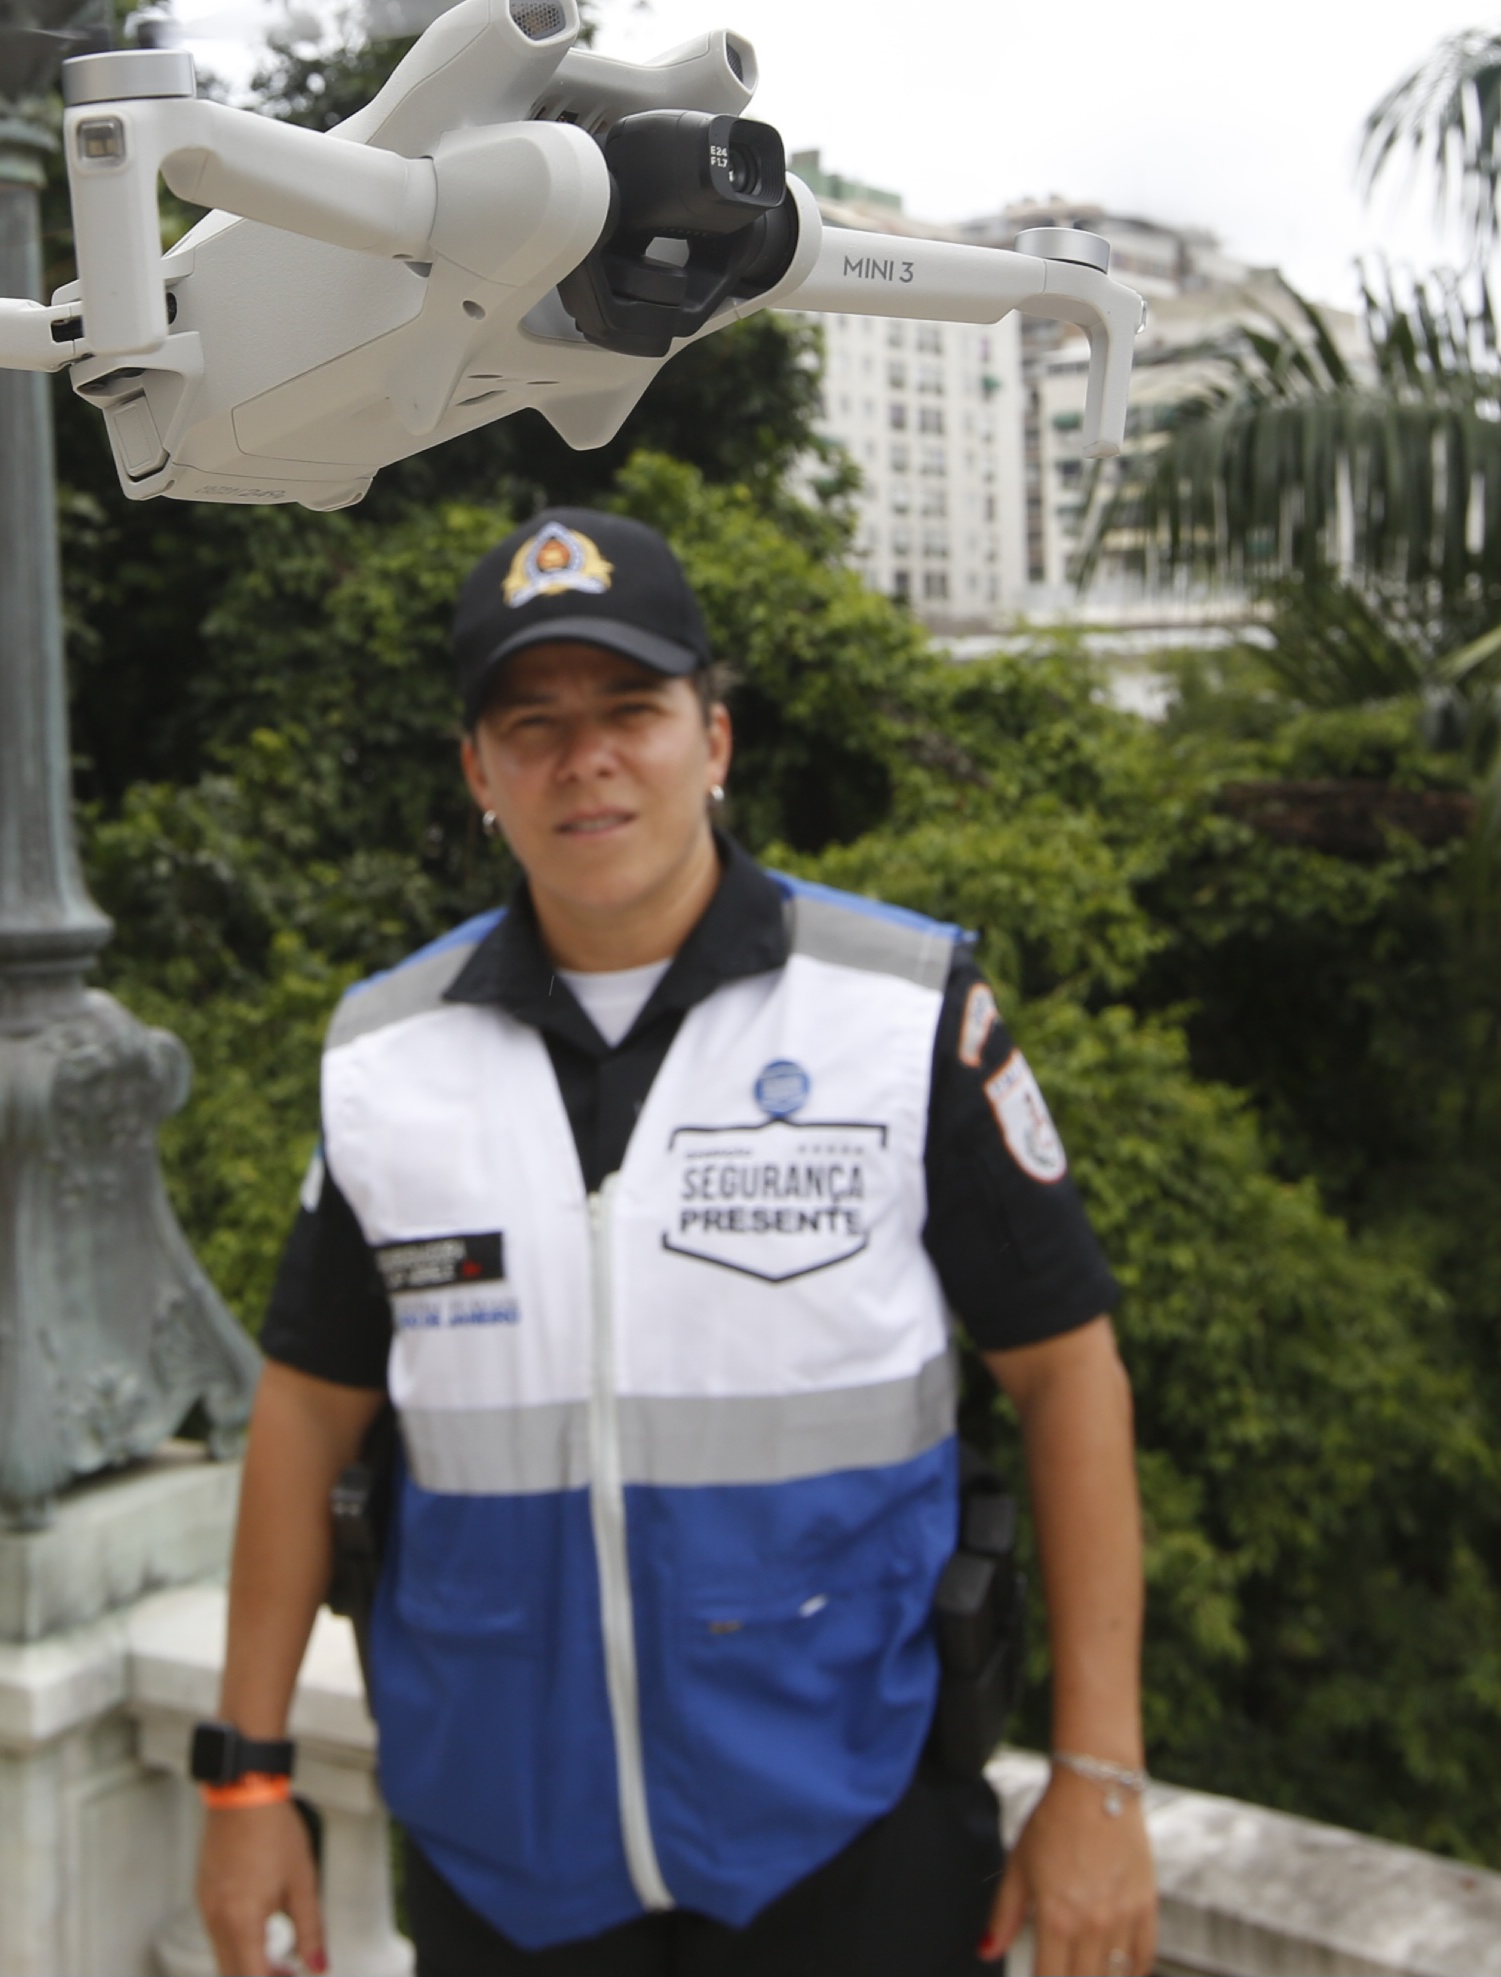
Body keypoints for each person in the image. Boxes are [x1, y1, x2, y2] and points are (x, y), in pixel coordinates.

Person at [191, 507, 1156, 1977]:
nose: (587, 760)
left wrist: (1100, 1775)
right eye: (535, 724)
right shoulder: (388, 1059)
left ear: (713, 739)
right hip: (500, 1848)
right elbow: (307, 1405)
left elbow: (1069, 1375)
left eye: (632, 710)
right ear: (480, 775)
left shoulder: (900, 1017)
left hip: (846, 1831)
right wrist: (247, 1771)